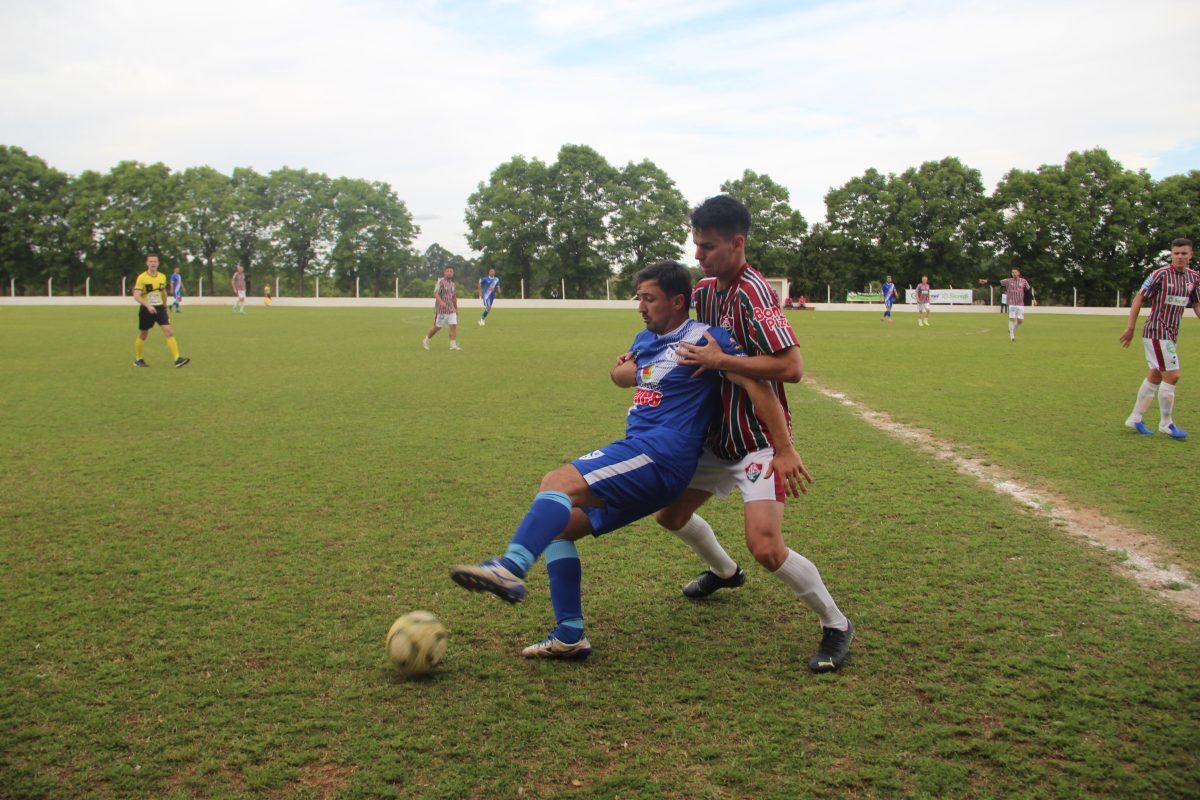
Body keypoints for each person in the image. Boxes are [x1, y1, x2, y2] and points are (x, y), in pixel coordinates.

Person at [450, 261, 810, 659]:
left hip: (661, 455)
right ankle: (570, 635)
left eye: (648, 298)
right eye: (639, 297)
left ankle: (511, 568)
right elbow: (622, 374)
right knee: (558, 528)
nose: (640, 306)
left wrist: (784, 447)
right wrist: (627, 370)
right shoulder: (646, 337)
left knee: (557, 482)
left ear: (676, 301)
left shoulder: (707, 339)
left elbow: (758, 386)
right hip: (641, 452)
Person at [657, 195, 853, 673]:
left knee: (766, 546)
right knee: (669, 515)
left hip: (756, 442)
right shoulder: (704, 292)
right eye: (696, 246)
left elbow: (791, 368)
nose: (698, 256)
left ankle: (836, 624)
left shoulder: (754, 294)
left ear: (737, 243)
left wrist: (784, 447)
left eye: (706, 247)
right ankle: (725, 573)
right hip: (713, 438)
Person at [1120, 238, 1200, 439]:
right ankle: (1166, 423)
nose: (1179, 256)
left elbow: (1196, 304)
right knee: (1173, 375)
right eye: (1176, 253)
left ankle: (1135, 418)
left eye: (1184, 253)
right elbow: (1139, 297)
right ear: (1171, 254)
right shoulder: (1159, 274)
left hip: (1172, 333)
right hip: (1156, 331)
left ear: (1191, 255)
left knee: (1156, 374)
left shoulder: (1194, 278)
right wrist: (1130, 327)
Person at [132, 253, 190, 368]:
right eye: (151, 261)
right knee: (143, 334)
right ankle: (138, 359)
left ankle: (177, 359)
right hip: (146, 309)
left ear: (158, 263)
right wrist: (148, 305)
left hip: (159, 308)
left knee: (169, 331)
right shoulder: (142, 277)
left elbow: (163, 293)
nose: (153, 263)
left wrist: (165, 308)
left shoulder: (162, 277)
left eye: (155, 261)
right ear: (147, 263)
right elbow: (136, 296)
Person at [981, 269, 1034, 341]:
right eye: (1012, 272)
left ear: (1018, 273)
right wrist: (987, 281)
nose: (1013, 273)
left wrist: (1033, 298)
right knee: (1012, 318)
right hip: (1011, 303)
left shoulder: (1023, 281)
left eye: (1015, 272)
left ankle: (1012, 329)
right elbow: (998, 282)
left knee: (1020, 321)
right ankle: (1012, 335)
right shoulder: (1008, 281)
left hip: (1020, 303)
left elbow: (1028, 290)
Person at [423, 267, 461, 350]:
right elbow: (436, 293)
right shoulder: (440, 282)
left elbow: (454, 297)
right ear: (444, 273)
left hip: (451, 309)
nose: (449, 273)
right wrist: (441, 302)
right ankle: (426, 340)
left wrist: (456, 308)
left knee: (453, 325)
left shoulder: (453, 284)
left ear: (453, 273)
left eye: (451, 271)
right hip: (441, 310)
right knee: (437, 327)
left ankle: (453, 345)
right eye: (447, 271)